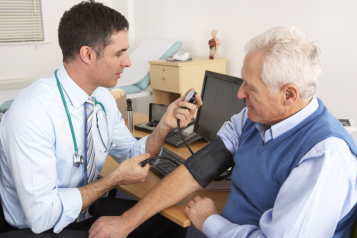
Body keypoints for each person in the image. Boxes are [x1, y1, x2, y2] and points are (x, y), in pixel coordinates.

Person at [88, 26, 357, 238]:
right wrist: (127, 222)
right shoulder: (253, 118)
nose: (240, 94)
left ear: (288, 94)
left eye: (250, 88)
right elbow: (197, 169)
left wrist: (210, 222)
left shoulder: (325, 158)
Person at [0, 1, 202, 237]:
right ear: (87, 54)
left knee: (169, 221)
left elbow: (132, 154)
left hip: (85, 209)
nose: (127, 62)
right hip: (39, 227)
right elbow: (42, 214)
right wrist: (113, 180)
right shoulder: (32, 114)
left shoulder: (101, 99)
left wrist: (164, 125)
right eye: (119, 53)